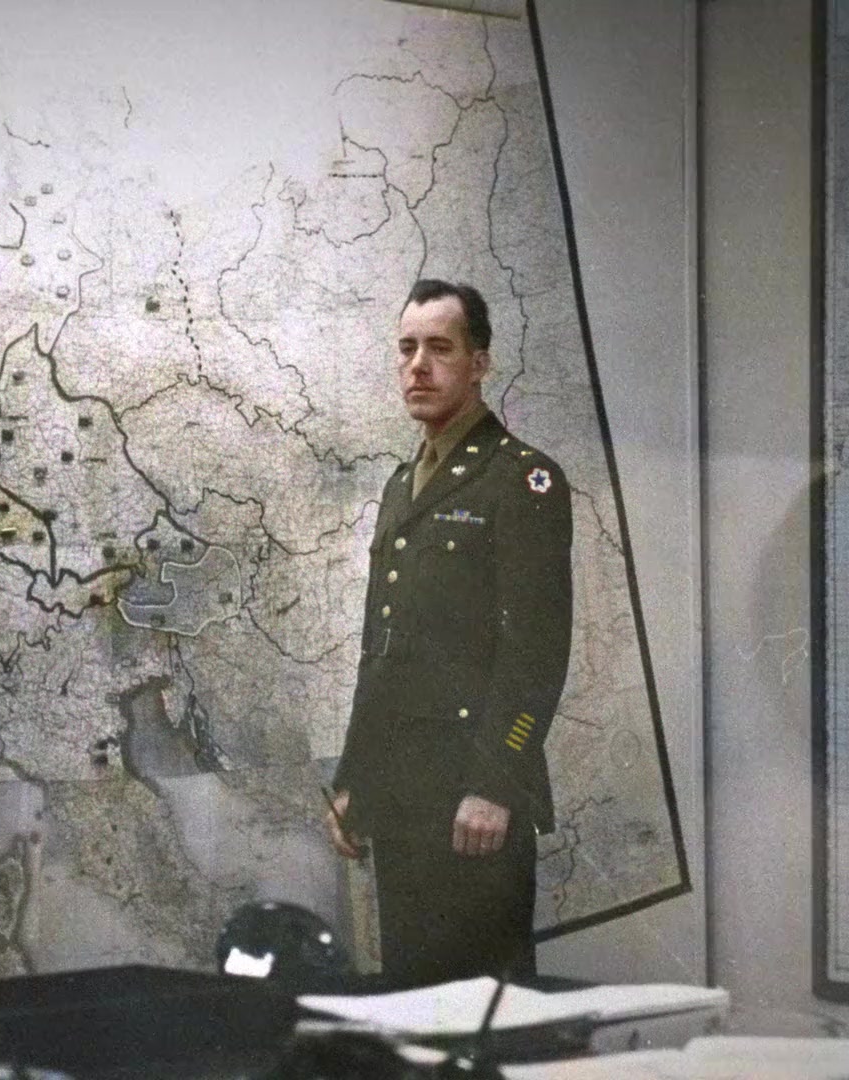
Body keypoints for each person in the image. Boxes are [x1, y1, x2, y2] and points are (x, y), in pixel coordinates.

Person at [326, 279, 574, 987]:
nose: (418, 366)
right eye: (407, 348)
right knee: (415, 1000)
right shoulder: (402, 485)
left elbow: (537, 650)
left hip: (474, 800)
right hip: (401, 794)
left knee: (485, 1011)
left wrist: (496, 784)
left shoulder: (521, 479)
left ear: (479, 363)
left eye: (439, 348)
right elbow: (383, 652)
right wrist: (354, 777)